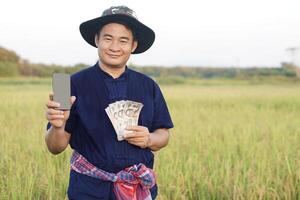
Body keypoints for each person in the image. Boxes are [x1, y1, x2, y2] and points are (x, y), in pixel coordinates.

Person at [45, 5, 173, 200]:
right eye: (107, 38)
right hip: (87, 190)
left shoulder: (149, 85)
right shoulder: (67, 84)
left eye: (123, 40)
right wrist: (58, 126)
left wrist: (149, 139)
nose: (114, 47)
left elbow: (163, 134)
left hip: (136, 189)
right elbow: (55, 147)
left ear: (133, 45)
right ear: (97, 39)